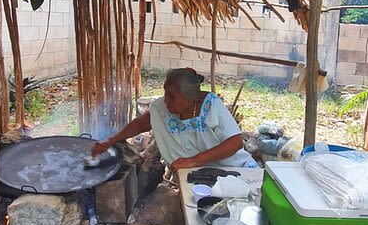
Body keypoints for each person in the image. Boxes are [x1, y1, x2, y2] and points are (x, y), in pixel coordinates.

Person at [91, 68, 258, 171]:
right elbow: (141, 123)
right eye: (165, 93)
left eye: (172, 97)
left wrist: (193, 161)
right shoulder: (162, 109)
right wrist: (109, 140)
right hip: (199, 176)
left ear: (190, 98)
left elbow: (235, 142)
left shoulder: (211, 105)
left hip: (236, 169)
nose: (165, 100)